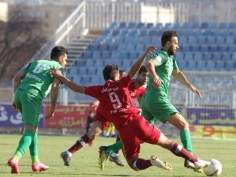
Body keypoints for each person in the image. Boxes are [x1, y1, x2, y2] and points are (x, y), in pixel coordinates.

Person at [49, 45, 210, 174]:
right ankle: (195, 160)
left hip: (125, 130)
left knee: (133, 163)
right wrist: (145, 54)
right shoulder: (123, 83)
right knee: (168, 143)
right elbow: (133, 70)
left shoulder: (99, 90)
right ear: (117, 76)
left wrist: (60, 76)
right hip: (139, 121)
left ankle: (150, 162)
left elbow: (76, 88)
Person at [141, 30, 202, 172]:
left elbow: (177, 73)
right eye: (176, 43)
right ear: (167, 43)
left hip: (148, 99)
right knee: (183, 125)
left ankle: (110, 150)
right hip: (157, 97)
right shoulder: (162, 55)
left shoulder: (170, 58)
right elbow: (150, 63)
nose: (178, 46)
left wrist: (190, 86)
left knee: (142, 136)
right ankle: (190, 157)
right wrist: (155, 76)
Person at [7, 46, 68, 174]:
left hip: (19, 93)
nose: (66, 63)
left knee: (33, 129)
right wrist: (53, 107)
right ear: (60, 58)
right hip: (32, 96)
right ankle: (15, 158)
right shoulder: (58, 69)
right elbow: (55, 86)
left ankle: (36, 162)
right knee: (30, 131)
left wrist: (15, 97)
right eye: (65, 59)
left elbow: (17, 77)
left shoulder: (36, 63)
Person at [98, 66, 148, 167]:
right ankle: (112, 151)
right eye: (143, 75)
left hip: (123, 112)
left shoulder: (142, 89)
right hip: (113, 110)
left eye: (147, 76)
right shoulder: (127, 84)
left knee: (132, 135)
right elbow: (110, 92)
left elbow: (140, 99)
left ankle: (111, 151)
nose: (146, 78)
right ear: (138, 75)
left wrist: (142, 110)